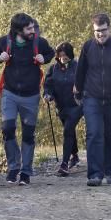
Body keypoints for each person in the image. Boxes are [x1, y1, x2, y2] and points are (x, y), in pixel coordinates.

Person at [0, 12, 55, 185]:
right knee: (8, 128)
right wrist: (0, 57)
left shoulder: (39, 42)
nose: (33, 30)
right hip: (9, 93)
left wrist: (44, 58)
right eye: (29, 28)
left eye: (33, 27)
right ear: (18, 30)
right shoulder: (5, 42)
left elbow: (51, 53)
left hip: (31, 95)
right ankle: (13, 168)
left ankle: (25, 172)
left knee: (28, 134)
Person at [74, 13, 111, 186]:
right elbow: (80, 72)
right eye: (97, 31)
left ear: (110, 28)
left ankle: (110, 171)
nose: (100, 34)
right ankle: (94, 174)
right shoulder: (87, 47)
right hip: (91, 97)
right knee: (94, 133)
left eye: (103, 30)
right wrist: (78, 93)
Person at [44, 42, 83, 176]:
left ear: (70, 56)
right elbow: (48, 86)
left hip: (77, 105)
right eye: (60, 56)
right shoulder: (53, 69)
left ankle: (64, 164)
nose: (63, 59)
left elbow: (85, 82)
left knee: (68, 129)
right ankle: (75, 155)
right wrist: (48, 95)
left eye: (65, 56)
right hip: (61, 107)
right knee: (69, 130)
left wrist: (80, 90)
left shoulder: (77, 67)